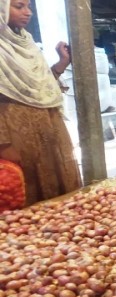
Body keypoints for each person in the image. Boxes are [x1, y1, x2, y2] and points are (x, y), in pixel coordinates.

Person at [0, 0, 81, 206]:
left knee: (61, 187)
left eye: (29, 7)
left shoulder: (27, 42)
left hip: (49, 127)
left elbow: (40, 86)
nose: (28, 13)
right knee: (28, 192)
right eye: (19, 6)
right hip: (17, 132)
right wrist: (4, 143)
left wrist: (61, 64)